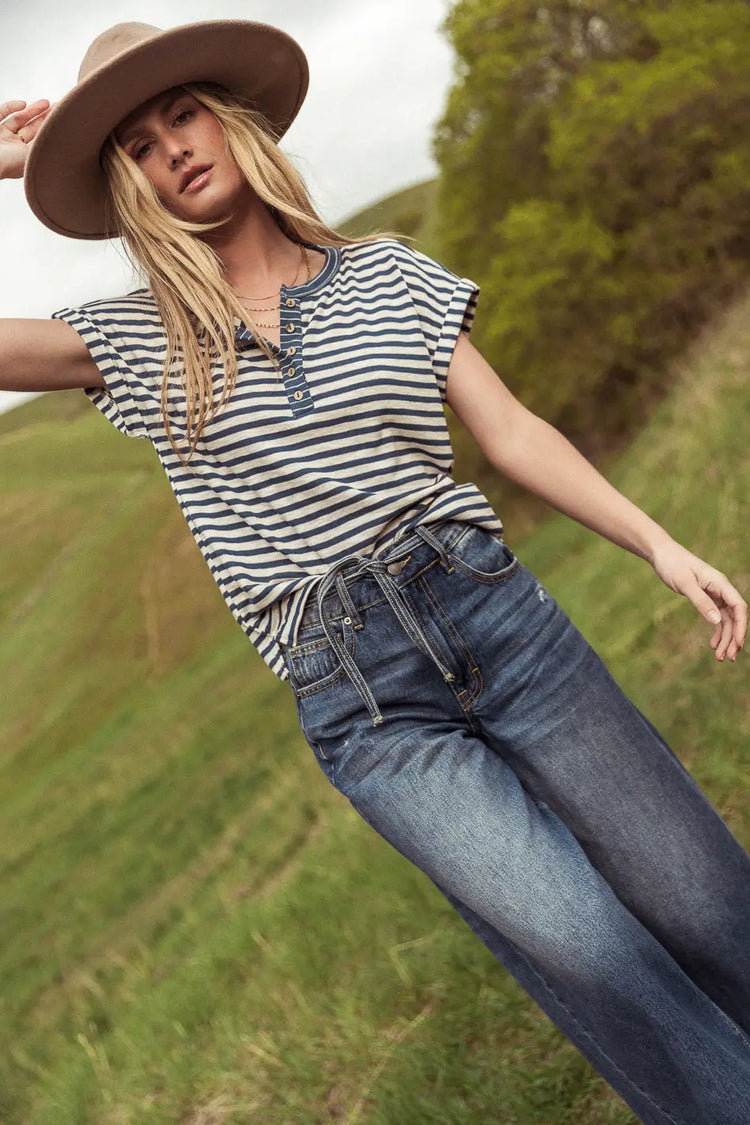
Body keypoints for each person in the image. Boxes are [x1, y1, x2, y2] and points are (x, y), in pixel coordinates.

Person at [1, 18, 749, 1124]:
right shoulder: (137, 338)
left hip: (500, 621)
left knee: (703, 906)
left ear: (231, 120)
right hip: (366, 704)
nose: (174, 148)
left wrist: (660, 542)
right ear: (131, 187)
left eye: (183, 114)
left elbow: (512, 432)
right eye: (141, 145)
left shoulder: (389, 274)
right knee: (588, 942)